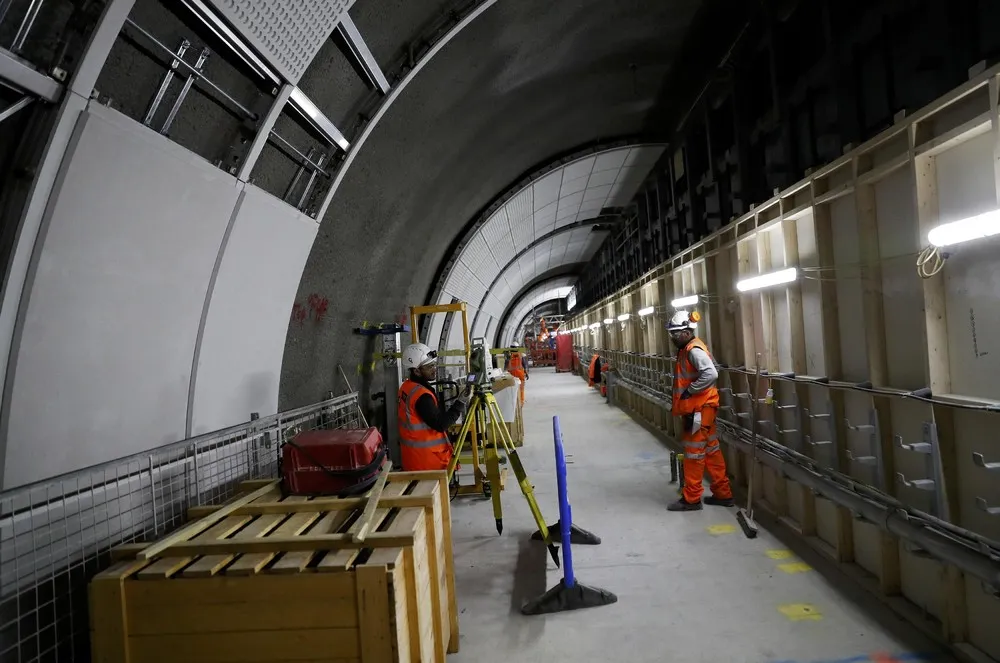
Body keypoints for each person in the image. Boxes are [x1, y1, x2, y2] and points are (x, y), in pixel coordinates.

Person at [666, 310, 734, 511]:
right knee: (711, 451)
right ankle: (723, 494)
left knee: (694, 453)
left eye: (675, 334)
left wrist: (690, 391)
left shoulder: (693, 350)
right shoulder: (687, 349)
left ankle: (692, 499)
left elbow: (711, 374)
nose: (673, 338)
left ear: (686, 332)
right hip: (704, 409)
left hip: (698, 411)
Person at [397, 343, 470, 471]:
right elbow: (441, 424)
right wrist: (460, 402)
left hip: (414, 458)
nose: (434, 369)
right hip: (428, 462)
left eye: (434, 364)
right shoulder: (422, 396)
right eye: (429, 366)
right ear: (416, 371)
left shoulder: (406, 387)